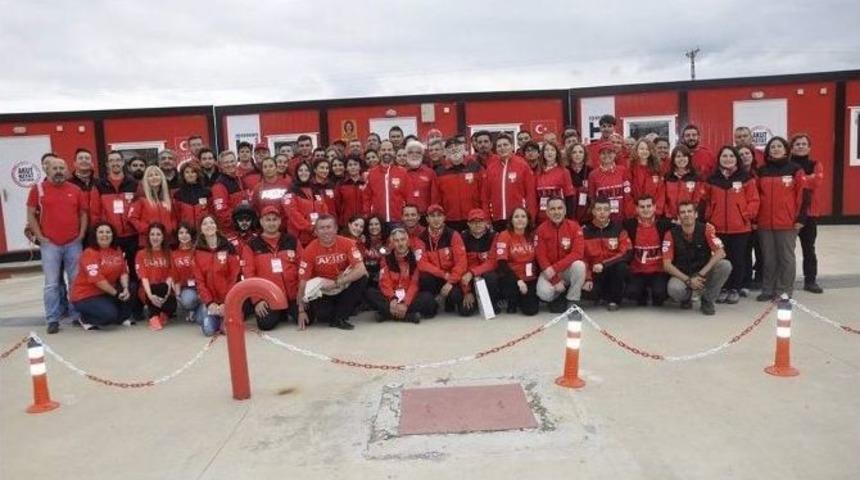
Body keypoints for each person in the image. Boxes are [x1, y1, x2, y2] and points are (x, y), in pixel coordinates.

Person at [28, 156, 89, 333]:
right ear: (47, 170)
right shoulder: (38, 190)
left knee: (75, 280)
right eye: (55, 168)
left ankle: (76, 314)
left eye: (62, 168)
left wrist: (81, 234)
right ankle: (52, 319)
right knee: (52, 284)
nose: (59, 171)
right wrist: (40, 236)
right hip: (50, 244)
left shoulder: (75, 190)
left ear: (67, 170)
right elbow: (31, 214)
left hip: (73, 243)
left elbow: (83, 214)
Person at [704, 146, 760, 304]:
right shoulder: (712, 179)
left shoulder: (746, 178)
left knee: (738, 259)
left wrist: (745, 215)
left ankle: (735, 287)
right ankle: (723, 287)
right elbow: (706, 201)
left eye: (731, 156)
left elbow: (754, 200)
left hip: (740, 228)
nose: (727, 159)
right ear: (719, 159)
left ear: (736, 159)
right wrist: (709, 216)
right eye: (724, 156)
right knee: (722, 259)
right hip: (717, 228)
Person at [755, 136, 807, 301]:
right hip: (764, 223)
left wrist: (800, 218)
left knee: (786, 258)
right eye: (772, 147)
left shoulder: (795, 169)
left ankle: (784, 291)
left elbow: (803, 195)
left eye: (779, 146)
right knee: (768, 258)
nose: (776, 149)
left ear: (786, 150)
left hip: (787, 222)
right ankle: (768, 289)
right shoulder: (761, 171)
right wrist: (755, 219)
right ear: (768, 151)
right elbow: (756, 196)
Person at [296, 215, 369, 330]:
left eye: (329, 227)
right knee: (323, 317)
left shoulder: (348, 243)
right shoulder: (309, 250)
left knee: (362, 277)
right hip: (323, 291)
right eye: (322, 228)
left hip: (341, 284)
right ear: (316, 231)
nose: (326, 231)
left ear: (335, 229)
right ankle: (341, 312)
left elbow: (361, 269)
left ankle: (340, 318)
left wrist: (337, 282)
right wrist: (300, 310)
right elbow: (303, 281)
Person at [663, 201, 732, 315]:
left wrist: (700, 274)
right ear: (679, 217)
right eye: (683, 212)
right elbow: (666, 264)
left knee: (725, 265)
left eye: (689, 211)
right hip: (683, 275)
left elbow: (721, 252)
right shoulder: (670, 234)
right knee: (674, 289)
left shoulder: (707, 229)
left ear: (695, 214)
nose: (686, 214)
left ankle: (707, 300)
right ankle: (686, 298)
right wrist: (688, 280)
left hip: (703, 272)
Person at [242, 206, 302, 330]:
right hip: (269, 296)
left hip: (293, 294)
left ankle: (286, 311)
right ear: (261, 222)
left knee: (309, 319)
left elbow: (302, 266)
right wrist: (257, 300)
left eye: (274, 219)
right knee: (265, 324)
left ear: (280, 221)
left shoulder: (291, 240)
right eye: (267, 220)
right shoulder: (251, 245)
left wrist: (302, 296)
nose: (271, 223)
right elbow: (249, 274)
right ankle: (280, 312)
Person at [90, 150, 139, 295]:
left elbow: (140, 208)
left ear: (123, 162)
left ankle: (135, 306)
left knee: (134, 270)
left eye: (118, 160)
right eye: (112, 161)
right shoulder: (99, 185)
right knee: (113, 271)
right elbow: (95, 213)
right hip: (111, 237)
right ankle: (116, 300)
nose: (115, 163)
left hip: (132, 235)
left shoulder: (134, 184)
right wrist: (98, 235)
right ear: (107, 165)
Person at [365, 226, 437, 323]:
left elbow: (414, 284)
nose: (400, 243)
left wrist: (405, 303)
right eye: (396, 240)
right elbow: (384, 282)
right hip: (392, 296)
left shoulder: (415, 258)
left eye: (402, 240)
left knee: (428, 298)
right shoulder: (386, 258)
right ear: (392, 243)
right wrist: (392, 299)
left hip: (409, 296)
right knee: (370, 293)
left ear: (407, 241)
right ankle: (409, 317)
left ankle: (387, 314)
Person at [69, 222, 132, 330]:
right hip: (86, 296)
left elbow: (123, 271)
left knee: (132, 288)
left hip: (106, 292)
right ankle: (85, 319)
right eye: (101, 232)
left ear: (112, 235)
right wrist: (116, 294)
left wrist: (125, 288)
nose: (105, 235)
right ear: (95, 235)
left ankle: (120, 317)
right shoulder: (89, 253)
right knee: (109, 316)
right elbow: (97, 280)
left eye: (108, 232)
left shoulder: (116, 250)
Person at [417, 204, 471, 315]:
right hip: (436, 277)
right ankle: (433, 302)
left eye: (439, 215)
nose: (436, 219)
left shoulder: (453, 235)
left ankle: (449, 301)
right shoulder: (421, 238)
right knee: (424, 277)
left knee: (465, 310)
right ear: (427, 219)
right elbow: (422, 264)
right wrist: (443, 274)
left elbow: (461, 263)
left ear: (444, 218)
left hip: (453, 277)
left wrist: (450, 281)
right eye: (432, 216)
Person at [535, 197, 587, 312]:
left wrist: (555, 268)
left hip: (566, 270)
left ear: (565, 210)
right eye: (552, 209)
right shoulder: (541, 230)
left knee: (579, 266)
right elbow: (541, 257)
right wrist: (554, 279)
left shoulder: (574, 227)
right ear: (547, 212)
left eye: (560, 208)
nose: (556, 212)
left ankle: (572, 299)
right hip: (548, 271)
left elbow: (577, 253)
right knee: (544, 294)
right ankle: (559, 295)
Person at [192, 215, 240, 336]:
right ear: (201, 229)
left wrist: (226, 302)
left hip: (227, 300)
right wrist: (209, 303)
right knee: (208, 331)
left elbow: (234, 277)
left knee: (227, 331)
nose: (209, 226)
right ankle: (203, 310)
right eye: (205, 224)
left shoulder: (229, 247)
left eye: (212, 222)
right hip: (211, 301)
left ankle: (224, 316)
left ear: (217, 226)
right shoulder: (196, 252)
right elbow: (200, 281)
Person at [582, 198, 632, 311]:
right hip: (594, 272)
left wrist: (604, 264)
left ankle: (614, 300)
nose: (602, 212)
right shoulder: (584, 231)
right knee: (589, 294)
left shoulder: (619, 229)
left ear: (610, 211)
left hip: (612, 270)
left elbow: (626, 253)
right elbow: (582, 257)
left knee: (622, 267)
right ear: (593, 211)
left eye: (605, 209)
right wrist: (588, 278)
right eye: (598, 209)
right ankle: (600, 295)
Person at [623, 195, 673, 306]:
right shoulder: (629, 225)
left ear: (655, 207)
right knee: (632, 293)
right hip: (637, 270)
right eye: (642, 207)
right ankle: (643, 292)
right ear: (636, 209)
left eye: (649, 206)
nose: (646, 209)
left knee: (660, 295)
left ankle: (655, 292)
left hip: (658, 271)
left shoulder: (665, 224)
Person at [790, 133, 824, 294]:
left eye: (804, 144)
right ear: (792, 147)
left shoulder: (816, 164)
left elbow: (816, 182)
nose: (801, 146)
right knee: (787, 250)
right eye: (797, 144)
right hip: (791, 214)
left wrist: (801, 180)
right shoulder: (788, 165)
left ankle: (810, 280)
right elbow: (792, 187)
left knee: (808, 248)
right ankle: (784, 280)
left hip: (810, 214)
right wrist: (806, 179)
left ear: (809, 147)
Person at [482, 134, 536, 231]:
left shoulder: (522, 165)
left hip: (518, 218)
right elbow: (485, 196)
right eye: (499, 146)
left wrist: (530, 217)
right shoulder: (491, 168)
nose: (502, 148)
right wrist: (487, 218)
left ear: (512, 146)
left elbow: (530, 194)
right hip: (497, 219)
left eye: (505, 145)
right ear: (496, 149)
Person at [495, 207, 539, 315]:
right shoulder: (504, 235)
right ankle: (512, 300)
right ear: (511, 220)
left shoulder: (533, 235)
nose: (520, 219)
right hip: (512, 277)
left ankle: (520, 299)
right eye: (516, 216)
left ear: (528, 220)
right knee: (510, 289)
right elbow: (501, 263)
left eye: (523, 216)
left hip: (530, 277)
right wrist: (518, 280)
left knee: (531, 310)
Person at [436, 137, 483, 232]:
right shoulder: (440, 171)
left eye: (457, 146)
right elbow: (437, 197)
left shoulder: (475, 167)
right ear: (446, 152)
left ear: (463, 148)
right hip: (450, 220)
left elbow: (483, 193)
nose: (454, 149)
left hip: (474, 218)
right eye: (450, 147)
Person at [135, 223, 176, 330]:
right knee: (156, 289)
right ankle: (153, 316)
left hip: (164, 290)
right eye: (152, 234)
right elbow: (144, 278)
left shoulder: (169, 253)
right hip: (148, 290)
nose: (155, 237)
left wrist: (167, 294)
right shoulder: (141, 254)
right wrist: (150, 296)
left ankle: (161, 314)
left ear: (163, 237)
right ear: (148, 237)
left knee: (172, 305)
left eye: (158, 234)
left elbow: (170, 277)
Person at [460, 208, 499, 315]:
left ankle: (493, 302)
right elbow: (460, 264)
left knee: (491, 276)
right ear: (468, 224)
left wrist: (473, 272)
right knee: (465, 312)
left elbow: (493, 262)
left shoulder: (494, 236)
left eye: (480, 221)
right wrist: (466, 291)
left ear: (486, 222)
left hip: (485, 275)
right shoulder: (461, 237)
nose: (477, 225)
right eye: (474, 222)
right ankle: (475, 299)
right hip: (468, 278)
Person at [364, 140, 411, 224]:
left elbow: (408, 197)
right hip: (378, 222)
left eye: (389, 150)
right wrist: (367, 216)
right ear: (379, 152)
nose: (386, 152)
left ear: (394, 152)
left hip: (398, 220)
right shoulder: (372, 173)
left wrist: (406, 216)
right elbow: (367, 198)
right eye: (383, 150)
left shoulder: (402, 172)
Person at [129, 166, 176, 247]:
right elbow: (132, 218)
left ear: (162, 178)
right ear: (146, 180)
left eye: (157, 175)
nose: (154, 177)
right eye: (150, 176)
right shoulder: (140, 197)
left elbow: (174, 217)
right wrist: (149, 230)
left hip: (168, 242)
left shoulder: (169, 198)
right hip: (147, 242)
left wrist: (171, 228)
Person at [284, 162, 328, 246]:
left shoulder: (316, 190)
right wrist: (311, 228)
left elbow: (324, 209)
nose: (303, 173)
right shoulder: (290, 191)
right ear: (296, 173)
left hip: (318, 235)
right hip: (299, 238)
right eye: (300, 170)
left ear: (310, 172)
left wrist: (322, 226)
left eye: (306, 170)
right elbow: (293, 214)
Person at [588, 141, 630, 222]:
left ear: (614, 154)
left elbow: (628, 195)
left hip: (622, 217)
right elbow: (592, 198)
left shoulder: (623, 170)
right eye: (603, 153)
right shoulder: (593, 175)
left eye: (610, 152)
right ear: (599, 156)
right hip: (603, 219)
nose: (606, 155)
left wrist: (628, 214)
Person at [535, 142, 576, 224]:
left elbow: (569, 197)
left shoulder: (564, 172)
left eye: (552, 150)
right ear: (542, 153)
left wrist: (569, 217)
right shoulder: (537, 173)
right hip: (542, 216)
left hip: (559, 216)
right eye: (546, 150)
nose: (549, 152)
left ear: (557, 153)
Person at [625, 139, 666, 218]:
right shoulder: (630, 169)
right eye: (642, 148)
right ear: (636, 150)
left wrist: (656, 210)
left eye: (647, 149)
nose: (644, 151)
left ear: (651, 151)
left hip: (654, 214)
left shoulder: (657, 169)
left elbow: (661, 192)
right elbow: (627, 193)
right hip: (636, 214)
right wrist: (635, 211)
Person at [664, 145, 705, 220]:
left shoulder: (696, 177)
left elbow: (698, 199)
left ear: (689, 158)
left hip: (690, 219)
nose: (681, 159)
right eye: (678, 156)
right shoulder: (667, 177)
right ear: (673, 159)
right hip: (671, 219)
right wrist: (669, 215)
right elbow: (664, 199)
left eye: (684, 156)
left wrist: (691, 215)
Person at [211, 150, 247, 236]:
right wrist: (240, 223)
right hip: (232, 232)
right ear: (220, 166)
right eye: (226, 163)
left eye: (232, 161)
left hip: (245, 227)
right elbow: (222, 213)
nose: (230, 164)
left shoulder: (240, 179)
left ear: (236, 161)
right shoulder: (219, 185)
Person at [171, 222, 199, 323]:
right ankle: (193, 309)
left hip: (201, 286)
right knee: (187, 301)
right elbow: (175, 276)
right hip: (187, 288)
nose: (184, 235)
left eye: (187, 232)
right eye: (181, 233)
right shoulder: (174, 254)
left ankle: (198, 310)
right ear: (177, 236)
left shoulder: (198, 251)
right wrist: (178, 296)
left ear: (191, 235)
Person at [404, 140, 440, 215]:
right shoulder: (401, 173)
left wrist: (433, 214)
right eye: (411, 152)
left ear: (422, 155)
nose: (414, 155)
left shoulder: (430, 173)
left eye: (418, 152)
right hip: (406, 217)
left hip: (425, 216)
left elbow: (435, 197)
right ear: (406, 155)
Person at [174, 161, 212, 230]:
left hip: (204, 230)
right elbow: (176, 216)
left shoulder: (207, 192)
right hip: (186, 232)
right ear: (183, 175)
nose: (190, 174)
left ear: (197, 174)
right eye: (187, 172)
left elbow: (212, 212)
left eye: (193, 172)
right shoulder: (177, 194)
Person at [335, 155, 367, 227]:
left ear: (360, 167)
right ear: (346, 168)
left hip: (363, 222)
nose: (353, 167)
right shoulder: (341, 184)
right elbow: (337, 204)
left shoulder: (366, 182)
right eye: (350, 165)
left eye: (355, 164)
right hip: (346, 223)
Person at [565, 143, 592, 223]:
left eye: (580, 152)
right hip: (568, 211)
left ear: (584, 155)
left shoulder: (590, 171)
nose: (577, 155)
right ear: (570, 155)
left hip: (586, 213)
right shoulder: (565, 171)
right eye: (574, 152)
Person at [362, 215, 388, 287]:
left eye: (376, 224)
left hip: (381, 273)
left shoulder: (387, 239)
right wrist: (361, 244)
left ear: (381, 225)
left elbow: (385, 256)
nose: (374, 227)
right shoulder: (362, 239)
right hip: (364, 272)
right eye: (371, 224)